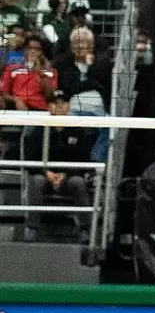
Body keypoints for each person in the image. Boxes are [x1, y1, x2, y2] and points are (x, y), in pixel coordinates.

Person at [20, 93, 93, 241]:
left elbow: (84, 161)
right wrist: (47, 173)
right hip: (45, 176)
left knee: (79, 182)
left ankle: (84, 229)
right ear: (49, 107)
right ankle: (32, 228)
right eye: (55, 102)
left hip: (68, 177)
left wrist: (65, 174)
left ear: (68, 106)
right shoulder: (39, 131)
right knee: (36, 181)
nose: (59, 105)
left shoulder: (78, 131)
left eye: (63, 102)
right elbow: (30, 158)